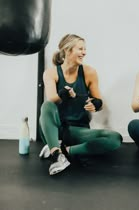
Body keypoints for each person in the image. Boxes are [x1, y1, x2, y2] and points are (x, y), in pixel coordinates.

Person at [39, 34, 122, 176]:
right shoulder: (51, 73)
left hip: (79, 131)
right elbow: (52, 100)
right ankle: (56, 155)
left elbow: (99, 102)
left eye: (85, 49)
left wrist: (95, 104)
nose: (84, 52)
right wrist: (64, 94)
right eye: (80, 49)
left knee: (115, 138)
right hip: (56, 129)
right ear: (67, 50)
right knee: (46, 106)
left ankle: (62, 150)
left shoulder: (89, 72)